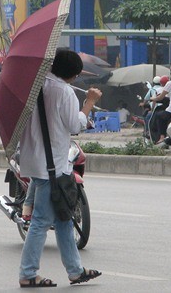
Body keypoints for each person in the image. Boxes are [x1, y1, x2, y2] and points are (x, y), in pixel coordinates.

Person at [18, 49, 102, 288]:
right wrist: (89, 103)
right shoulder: (64, 91)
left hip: (37, 160)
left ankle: (75, 270)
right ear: (73, 74)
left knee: (65, 217)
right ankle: (28, 273)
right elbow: (75, 125)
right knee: (41, 222)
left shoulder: (35, 85)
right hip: (52, 165)